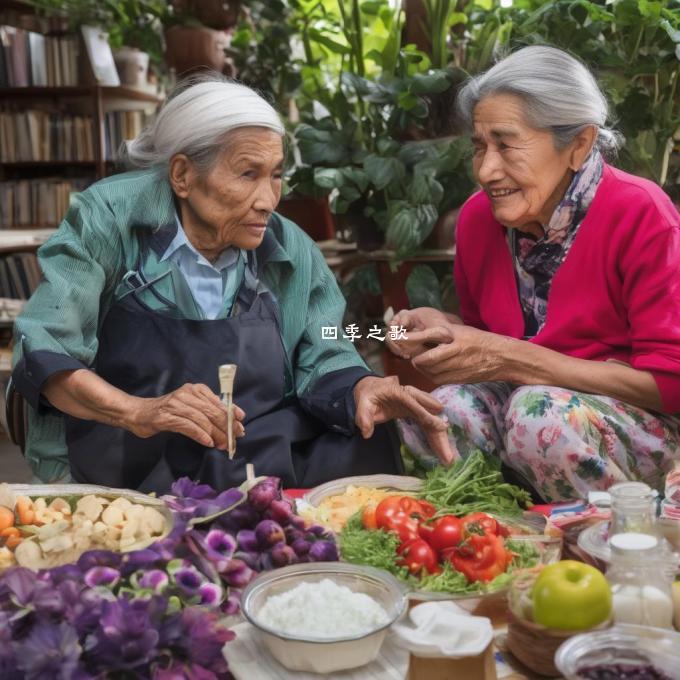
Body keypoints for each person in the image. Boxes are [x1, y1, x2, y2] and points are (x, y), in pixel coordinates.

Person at [11, 75, 451, 493]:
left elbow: (327, 346)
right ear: (182, 175)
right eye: (247, 174)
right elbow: (46, 349)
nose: (267, 200)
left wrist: (361, 386)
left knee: (367, 435)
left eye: (276, 175)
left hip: (254, 450)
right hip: (131, 451)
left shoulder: (289, 247)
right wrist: (141, 411)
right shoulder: (108, 219)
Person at [387, 46, 680, 502]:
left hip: (638, 422)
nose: (486, 170)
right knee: (433, 409)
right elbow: (491, 339)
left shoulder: (641, 213)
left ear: (578, 144)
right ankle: (495, 541)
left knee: (538, 414)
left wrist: (517, 360)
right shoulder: (478, 219)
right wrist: (446, 330)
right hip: (526, 401)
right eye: (480, 146)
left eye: (506, 144)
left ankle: (605, 546)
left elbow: (671, 383)